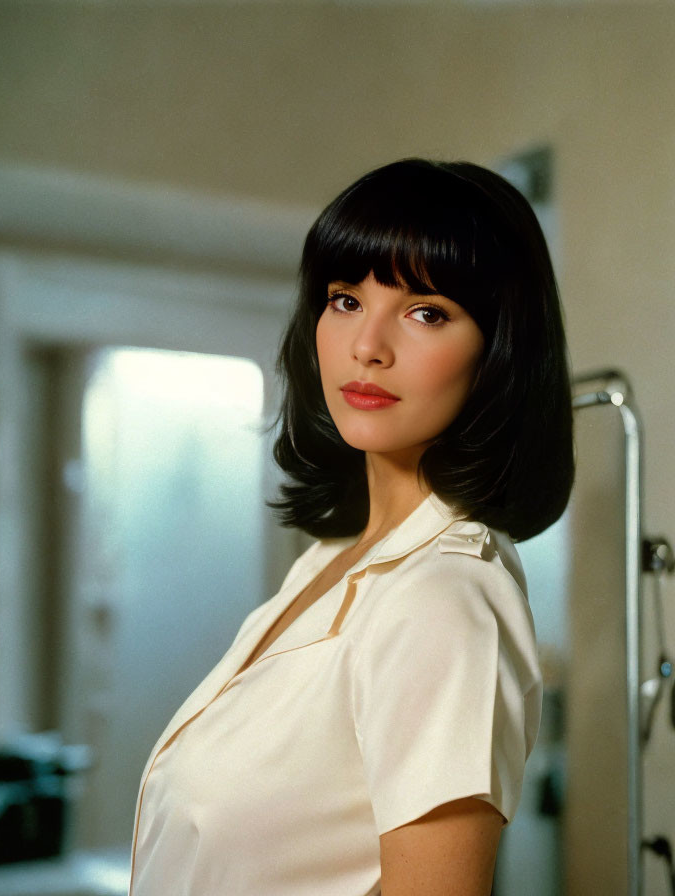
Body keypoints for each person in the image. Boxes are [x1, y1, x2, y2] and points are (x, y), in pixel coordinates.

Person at [129, 158, 574, 896]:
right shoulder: (330, 559)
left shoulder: (443, 599)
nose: (368, 345)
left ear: (498, 355)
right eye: (344, 300)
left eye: (426, 311)